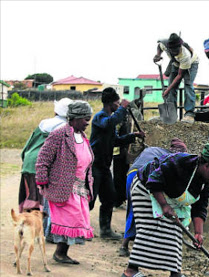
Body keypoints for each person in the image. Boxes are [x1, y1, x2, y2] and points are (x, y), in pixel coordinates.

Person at [121, 144, 209, 277]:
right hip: (145, 188)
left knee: (176, 230)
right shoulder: (180, 162)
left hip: (169, 197)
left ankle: (174, 274)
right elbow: (154, 180)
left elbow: (200, 208)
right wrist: (164, 205)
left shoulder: (206, 183)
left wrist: (198, 233)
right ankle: (131, 270)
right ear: (206, 166)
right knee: (150, 226)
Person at [35, 101, 95, 264]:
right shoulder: (59, 134)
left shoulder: (82, 136)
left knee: (75, 220)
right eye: (85, 119)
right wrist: (42, 180)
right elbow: (43, 159)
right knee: (68, 220)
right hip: (63, 186)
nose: (87, 123)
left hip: (79, 187)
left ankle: (61, 252)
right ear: (75, 118)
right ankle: (60, 253)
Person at [89, 88, 145, 240]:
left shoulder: (110, 119)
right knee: (89, 199)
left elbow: (115, 140)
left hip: (105, 165)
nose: (118, 105)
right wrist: (122, 109)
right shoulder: (100, 117)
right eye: (117, 103)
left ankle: (106, 230)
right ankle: (79, 228)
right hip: (94, 165)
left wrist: (133, 136)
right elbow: (108, 124)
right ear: (110, 104)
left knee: (109, 197)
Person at [118, 138, 188, 257]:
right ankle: (125, 246)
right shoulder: (170, 159)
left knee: (133, 208)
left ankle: (135, 240)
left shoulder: (155, 150)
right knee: (139, 210)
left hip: (131, 174)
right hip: (142, 176)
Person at [18, 98, 73, 242]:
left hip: (29, 162)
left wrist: (25, 159)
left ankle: (24, 227)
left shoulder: (44, 123)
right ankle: (40, 232)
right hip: (44, 166)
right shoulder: (65, 127)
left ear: (56, 111)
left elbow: (29, 144)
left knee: (29, 198)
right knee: (42, 200)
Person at [154, 33, 199, 123]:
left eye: (176, 50)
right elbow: (159, 46)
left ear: (180, 46)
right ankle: (171, 115)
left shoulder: (185, 55)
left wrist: (167, 90)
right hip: (175, 63)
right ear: (169, 48)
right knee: (171, 88)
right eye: (172, 50)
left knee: (188, 84)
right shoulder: (165, 44)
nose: (174, 52)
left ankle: (189, 114)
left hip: (191, 64)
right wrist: (158, 55)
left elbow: (179, 76)